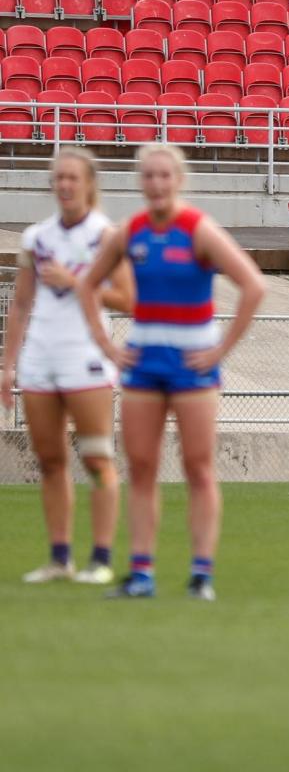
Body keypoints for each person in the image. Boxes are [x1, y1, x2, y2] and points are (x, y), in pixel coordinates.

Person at [79, 144, 266, 601]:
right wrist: (106, 344)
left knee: (197, 467)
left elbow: (253, 285)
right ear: (140, 182)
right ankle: (141, 572)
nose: (157, 184)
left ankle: (201, 573)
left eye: (165, 175)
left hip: (192, 365)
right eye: (149, 176)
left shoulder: (197, 230)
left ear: (179, 180)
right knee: (140, 467)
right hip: (144, 363)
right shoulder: (130, 232)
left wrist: (221, 348)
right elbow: (86, 285)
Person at [2, 148, 134, 584]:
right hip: (40, 357)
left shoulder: (106, 237)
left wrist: (79, 283)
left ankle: (100, 558)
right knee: (50, 460)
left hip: (86, 357)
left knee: (97, 458)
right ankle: (60, 558)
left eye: (72, 178)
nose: (64, 185)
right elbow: (21, 304)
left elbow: (129, 300)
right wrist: (8, 365)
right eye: (58, 178)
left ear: (89, 184)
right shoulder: (36, 237)